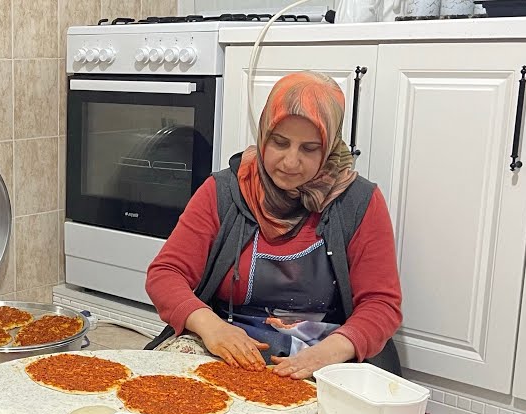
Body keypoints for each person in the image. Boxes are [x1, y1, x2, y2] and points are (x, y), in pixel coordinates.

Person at [145, 71, 402, 379]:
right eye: (280, 143)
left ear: (330, 146)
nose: (290, 162)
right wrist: (211, 327)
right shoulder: (224, 191)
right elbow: (165, 274)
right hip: (230, 338)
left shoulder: (359, 201)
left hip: (326, 347)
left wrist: (330, 352)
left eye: (309, 148)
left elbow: (381, 304)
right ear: (264, 134)